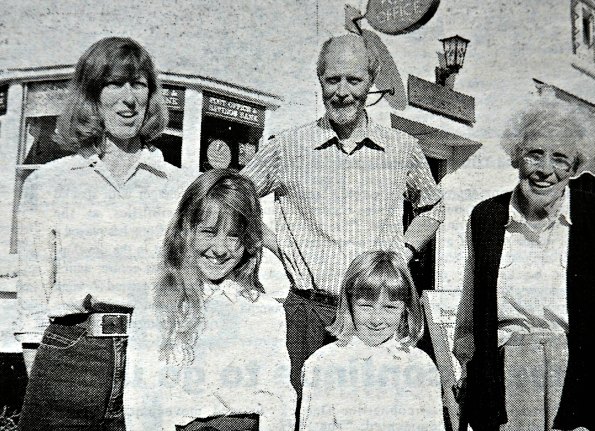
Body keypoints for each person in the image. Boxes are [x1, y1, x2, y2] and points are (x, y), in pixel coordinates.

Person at [241, 33, 445, 398]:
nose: (342, 92)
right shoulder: (288, 147)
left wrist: (403, 252)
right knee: (302, 413)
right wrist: (274, 243)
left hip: (375, 314)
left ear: (371, 80)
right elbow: (231, 197)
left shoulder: (402, 148)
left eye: (354, 80)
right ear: (319, 80)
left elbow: (432, 206)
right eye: (332, 79)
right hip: (308, 312)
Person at [453, 100, 595, 431]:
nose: (545, 170)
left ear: (575, 167)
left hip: (586, 383)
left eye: (560, 159)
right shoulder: (485, 217)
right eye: (534, 154)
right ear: (516, 157)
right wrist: (473, 381)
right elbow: (470, 316)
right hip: (507, 386)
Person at [15, 37, 189, 430]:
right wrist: (41, 370)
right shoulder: (49, 183)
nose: (129, 98)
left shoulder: (177, 186)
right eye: (115, 83)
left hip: (151, 352)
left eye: (139, 84)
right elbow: (33, 292)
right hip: (70, 355)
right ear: (92, 95)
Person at [125, 169, 296, 431]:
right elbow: (143, 401)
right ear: (186, 231)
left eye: (233, 235)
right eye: (208, 232)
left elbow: (279, 399)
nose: (219, 249)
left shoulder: (264, 311)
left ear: (249, 240)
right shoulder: (158, 307)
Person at [299, 250, 445, 431]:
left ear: (405, 309)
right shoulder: (323, 363)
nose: (377, 319)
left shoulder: (420, 365)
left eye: (390, 307)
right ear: (349, 304)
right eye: (366, 306)